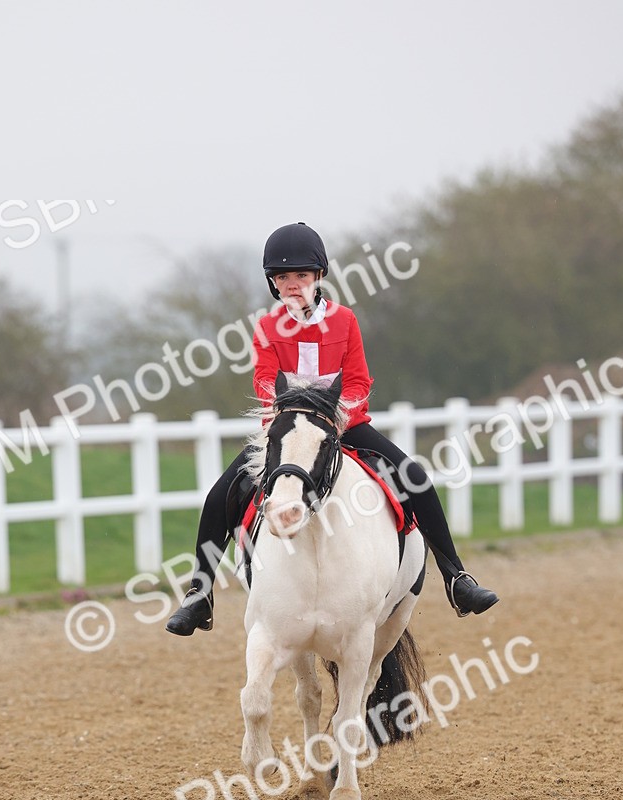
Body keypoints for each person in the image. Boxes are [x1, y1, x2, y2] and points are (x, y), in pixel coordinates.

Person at [166, 222, 499, 636]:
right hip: (287, 430)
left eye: (301, 275)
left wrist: (336, 414)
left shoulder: (344, 321)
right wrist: (290, 414)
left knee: (413, 476)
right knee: (221, 494)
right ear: (272, 282)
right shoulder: (268, 329)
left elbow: (359, 379)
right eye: (283, 278)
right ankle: (199, 593)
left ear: (319, 276)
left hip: (343, 425)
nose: (292, 285)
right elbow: (264, 381)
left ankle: (456, 578)